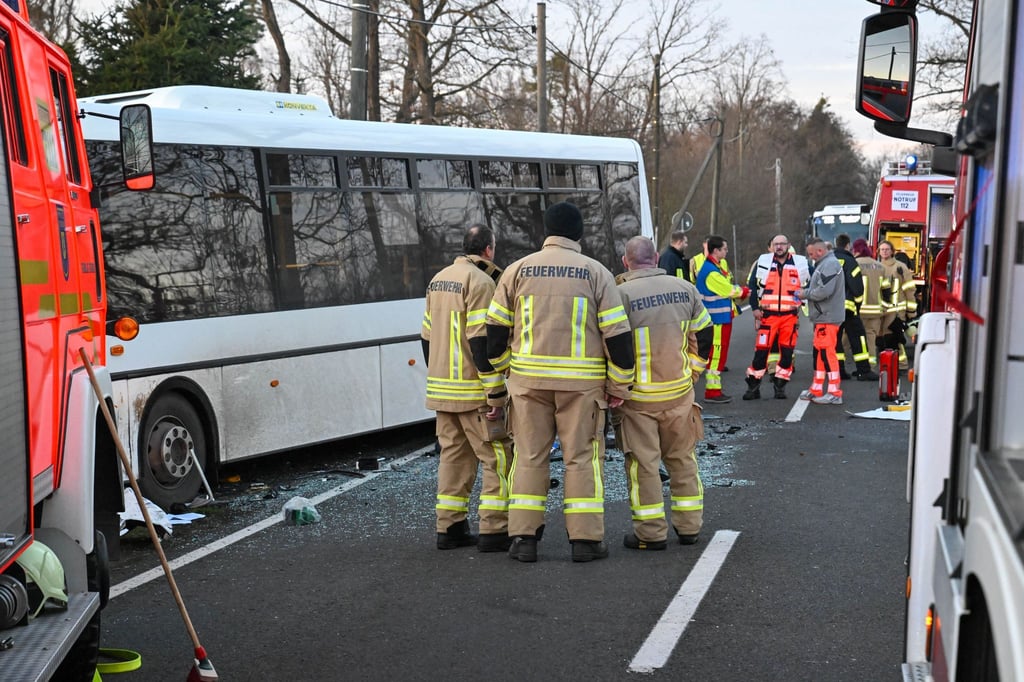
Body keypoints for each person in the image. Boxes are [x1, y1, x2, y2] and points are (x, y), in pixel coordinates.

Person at [486, 201, 634, 563]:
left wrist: (510, 369)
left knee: (529, 457)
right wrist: (618, 386)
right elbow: (618, 340)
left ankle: (523, 540)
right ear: (579, 232)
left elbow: (492, 336)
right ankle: (585, 542)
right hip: (582, 388)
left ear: (546, 232)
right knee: (581, 459)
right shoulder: (596, 273)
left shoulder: (517, 271)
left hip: (527, 384)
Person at [615, 236, 713, 550]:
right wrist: (695, 369)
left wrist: (615, 387)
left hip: (638, 399)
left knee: (643, 465)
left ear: (625, 261)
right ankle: (689, 528)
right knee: (683, 459)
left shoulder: (620, 295)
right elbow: (706, 332)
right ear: (657, 257)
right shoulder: (685, 288)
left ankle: (651, 534)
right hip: (679, 393)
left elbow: (612, 347)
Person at [422, 225, 515, 551]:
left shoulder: (439, 279)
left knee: (453, 458)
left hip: (443, 391)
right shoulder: (481, 283)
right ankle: (495, 530)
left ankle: (450, 527)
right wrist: (496, 394)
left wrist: (437, 377)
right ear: (488, 250)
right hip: (473, 393)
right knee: (497, 458)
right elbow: (481, 344)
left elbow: (426, 337)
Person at [742, 234, 810, 400]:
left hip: (789, 317)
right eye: (776, 244)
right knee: (761, 353)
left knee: (787, 354)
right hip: (768, 316)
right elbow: (752, 287)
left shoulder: (800, 264)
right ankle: (753, 386)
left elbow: (812, 284)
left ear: (788, 245)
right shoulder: (763, 263)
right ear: (771, 246)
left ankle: (780, 386)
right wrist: (755, 308)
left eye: (782, 244)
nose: (779, 247)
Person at [695, 235, 749, 403]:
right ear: (716, 250)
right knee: (716, 355)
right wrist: (745, 291)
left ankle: (714, 390)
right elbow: (727, 290)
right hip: (716, 320)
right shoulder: (711, 271)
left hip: (719, 319)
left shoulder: (714, 267)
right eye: (724, 248)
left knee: (717, 355)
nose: (726, 251)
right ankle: (712, 392)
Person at [797, 238, 846, 405]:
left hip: (828, 316)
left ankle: (834, 392)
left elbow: (824, 291)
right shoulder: (825, 264)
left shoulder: (829, 264)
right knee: (820, 353)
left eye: (811, 253)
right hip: (823, 316)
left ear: (819, 251)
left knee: (827, 353)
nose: (811, 257)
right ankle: (816, 388)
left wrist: (805, 294)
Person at [833, 234, 877, 381]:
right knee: (858, 338)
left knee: (836, 340)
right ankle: (863, 370)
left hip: (831, 310)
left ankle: (838, 370)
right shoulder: (850, 261)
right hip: (848, 308)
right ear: (847, 246)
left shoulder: (827, 261)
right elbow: (857, 288)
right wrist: (857, 305)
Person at [878, 240, 915, 370]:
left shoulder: (900, 267)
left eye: (887, 249)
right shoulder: (877, 266)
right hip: (883, 309)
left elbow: (909, 289)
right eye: (882, 249)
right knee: (884, 339)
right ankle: (890, 364)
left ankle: (902, 365)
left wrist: (911, 312)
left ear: (892, 251)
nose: (884, 252)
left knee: (895, 338)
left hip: (897, 309)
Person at [851, 238, 889, 365]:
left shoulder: (853, 264)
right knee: (871, 338)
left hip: (857, 310)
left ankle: (842, 365)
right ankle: (871, 364)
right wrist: (884, 307)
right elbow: (886, 290)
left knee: (847, 337)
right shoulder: (880, 266)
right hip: (875, 311)